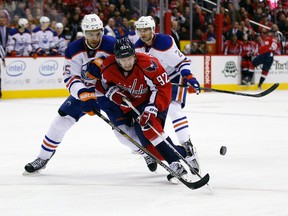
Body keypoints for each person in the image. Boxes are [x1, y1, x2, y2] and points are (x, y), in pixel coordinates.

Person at [23, 14, 156, 175]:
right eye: (90, 34)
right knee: (61, 121)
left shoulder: (111, 44)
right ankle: (43, 158)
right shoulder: (74, 49)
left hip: (109, 94)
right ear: (84, 32)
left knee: (123, 134)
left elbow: (127, 65)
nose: (94, 37)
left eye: (97, 33)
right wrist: (83, 93)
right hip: (83, 94)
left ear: (101, 30)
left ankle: (146, 153)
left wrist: (106, 69)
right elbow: (70, 76)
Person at [100, 37, 196, 179]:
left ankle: (175, 164)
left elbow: (164, 87)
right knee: (151, 150)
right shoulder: (108, 67)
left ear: (134, 55)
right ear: (116, 59)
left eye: (129, 58)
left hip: (155, 100)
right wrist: (112, 93)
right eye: (123, 60)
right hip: (135, 105)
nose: (127, 63)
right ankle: (186, 153)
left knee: (149, 126)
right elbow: (102, 84)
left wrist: (152, 108)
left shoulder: (148, 63)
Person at [134, 16, 201, 174]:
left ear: (152, 29)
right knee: (155, 120)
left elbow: (181, 62)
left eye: (146, 30)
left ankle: (186, 145)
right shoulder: (137, 48)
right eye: (140, 30)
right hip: (155, 83)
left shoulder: (164, 41)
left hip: (173, 78)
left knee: (173, 108)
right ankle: (172, 157)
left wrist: (189, 77)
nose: (143, 33)